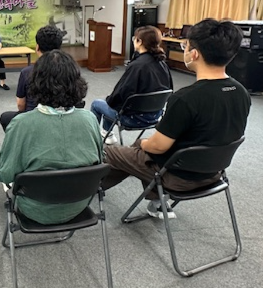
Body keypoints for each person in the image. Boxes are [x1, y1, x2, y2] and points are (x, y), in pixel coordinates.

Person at [101, 19, 251, 218]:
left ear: (194, 54)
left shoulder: (186, 98)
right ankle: (156, 203)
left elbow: (157, 147)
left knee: (112, 152)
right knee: (138, 146)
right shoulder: (241, 92)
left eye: (185, 46)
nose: (185, 50)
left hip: (178, 176)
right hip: (214, 173)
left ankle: (87, 191)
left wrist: (144, 144)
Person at [0, 50, 103, 225]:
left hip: (34, 209)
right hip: (79, 204)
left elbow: (3, 174)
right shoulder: (90, 119)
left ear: (36, 83)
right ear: (77, 82)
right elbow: (99, 162)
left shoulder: (21, 124)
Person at [90, 25, 173, 144]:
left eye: (135, 38)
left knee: (98, 103)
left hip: (132, 119)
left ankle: (96, 137)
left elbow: (121, 94)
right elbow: (169, 90)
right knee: (111, 100)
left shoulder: (137, 66)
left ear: (139, 41)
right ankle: (106, 133)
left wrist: (110, 100)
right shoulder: (162, 63)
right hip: (155, 116)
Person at [0, 25, 64, 130]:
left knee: (5, 117)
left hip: (34, 120)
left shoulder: (27, 72)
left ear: (37, 47)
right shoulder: (71, 70)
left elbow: (21, 105)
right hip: (63, 119)